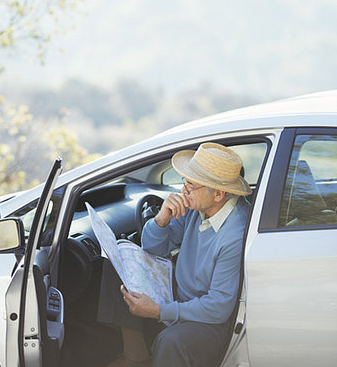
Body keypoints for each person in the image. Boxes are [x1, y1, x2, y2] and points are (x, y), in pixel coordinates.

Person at [99, 142, 251, 367]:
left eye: (190, 186)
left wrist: (159, 311)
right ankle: (136, 357)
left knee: (172, 341)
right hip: (180, 295)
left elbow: (218, 308)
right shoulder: (196, 208)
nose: (183, 191)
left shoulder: (234, 235)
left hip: (210, 320)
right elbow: (153, 249)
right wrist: (162, 219)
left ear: (218, 194)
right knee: (117, 262)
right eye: (185, 183)